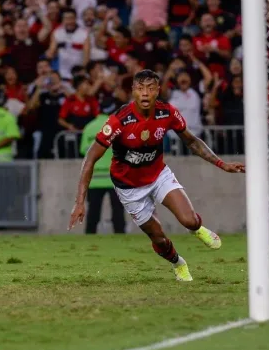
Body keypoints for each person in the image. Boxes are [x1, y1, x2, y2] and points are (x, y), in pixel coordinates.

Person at [69, 69, 245, 281]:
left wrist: (221, 163)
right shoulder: (119, 121)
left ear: (158, 91)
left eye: (150, 89)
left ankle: (197, 228)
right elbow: (90, 158)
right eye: (140, 89)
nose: (145, 94)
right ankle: (178, 263)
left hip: (158, 175)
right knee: (159, 238)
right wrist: (80, 202)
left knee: (188, 220)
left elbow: (190, 141)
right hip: (129, 188)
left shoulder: (167, 112)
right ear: (133, 91)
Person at [79, 105, 127, 234]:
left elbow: (83, 150)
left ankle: (90, 236)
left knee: (93, 212)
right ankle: (120, 237)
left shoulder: (89, 127)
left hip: (94, 179)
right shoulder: (118, 126)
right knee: (117, 211)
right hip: (114, 178)